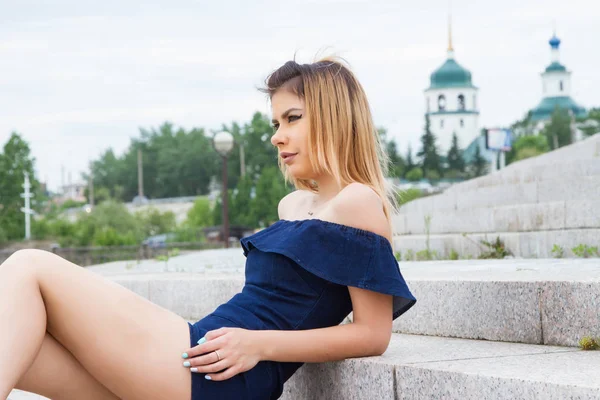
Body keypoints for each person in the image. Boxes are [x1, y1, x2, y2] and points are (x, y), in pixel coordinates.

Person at [0, 57, 416, 400]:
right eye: (275, 124)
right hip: (203, 351)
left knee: (30, 265)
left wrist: (259, 344)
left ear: (334, 119)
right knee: (25, 352)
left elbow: (372, 334)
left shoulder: (358, 202)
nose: (277, 137)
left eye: (292, 118)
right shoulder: (293, 204)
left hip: (222, 375)